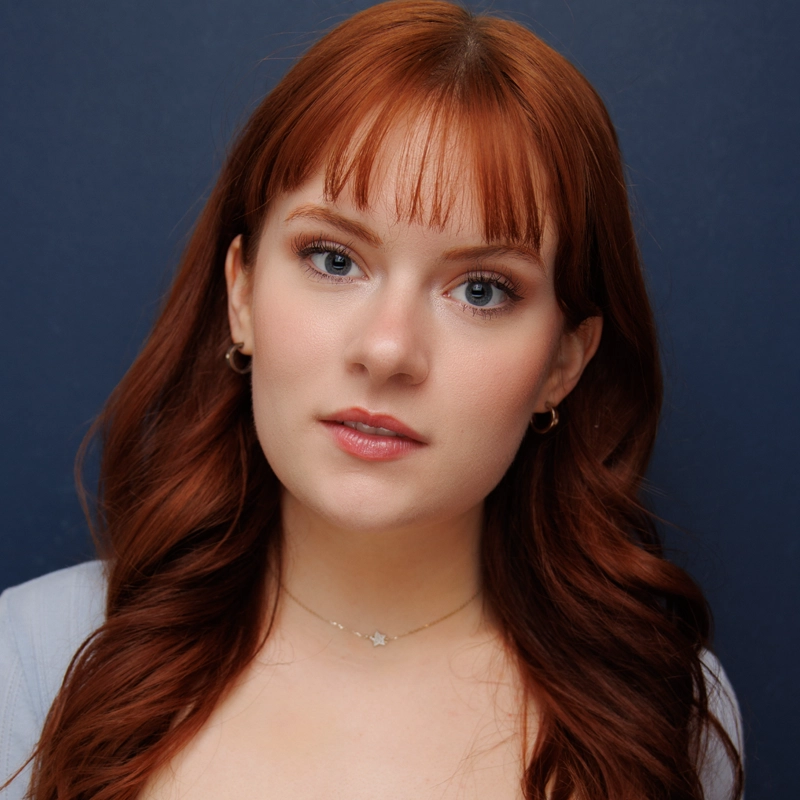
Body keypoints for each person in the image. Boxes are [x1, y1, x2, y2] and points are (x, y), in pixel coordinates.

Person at [0, 1, 744, 798]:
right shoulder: (37, 659)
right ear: (242, 292)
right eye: (333, 259)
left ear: (564, 361)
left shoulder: (664, 710)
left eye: (482, 288)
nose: (388, 349)